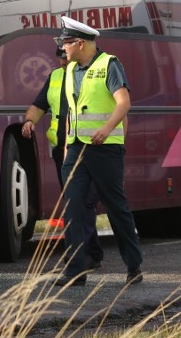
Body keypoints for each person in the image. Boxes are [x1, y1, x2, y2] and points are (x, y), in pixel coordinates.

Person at [56, 16, 143, 287]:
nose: (63, 49)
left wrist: (106, 129)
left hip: (105, 149)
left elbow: (124, 102)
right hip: (77, 150)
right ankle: (75, 272)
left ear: (80, 43)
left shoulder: (109, 65)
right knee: (72, 208)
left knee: (116, 208)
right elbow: (72, 109)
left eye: (66, 43)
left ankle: (133, 266)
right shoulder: (70, 71)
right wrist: (68, 145)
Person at [21, 47, 104, 271]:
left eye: (65, 55)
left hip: (87, 148)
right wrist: (30, 121)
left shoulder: (91, 74)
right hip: (62, 151)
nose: (63, 60)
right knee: (75, 202)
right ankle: (92, 253)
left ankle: (79, 257)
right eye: (60, 56)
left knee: (82, 201)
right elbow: (39, 105)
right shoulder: (55, 77)